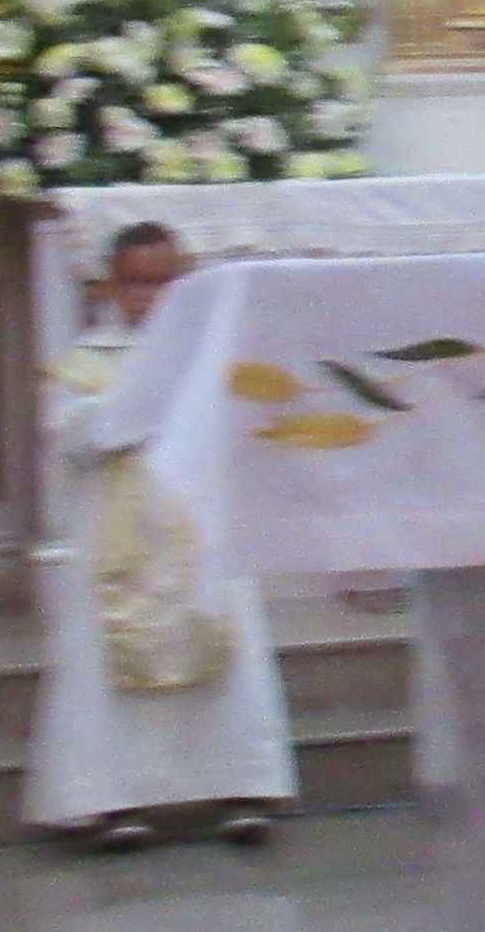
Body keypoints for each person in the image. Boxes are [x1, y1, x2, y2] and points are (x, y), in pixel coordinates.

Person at [27, 223, 292, 851]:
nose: (151, 297)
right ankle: (110, 799)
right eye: (137, 283)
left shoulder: (218, 352)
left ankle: (242, 787)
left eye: (163, 281)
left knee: (226, 640)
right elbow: (73, 439)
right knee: (105, 658)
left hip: (201, 526)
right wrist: (132, 406)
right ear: (111, 285)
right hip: (118, 535)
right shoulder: (86, 361)